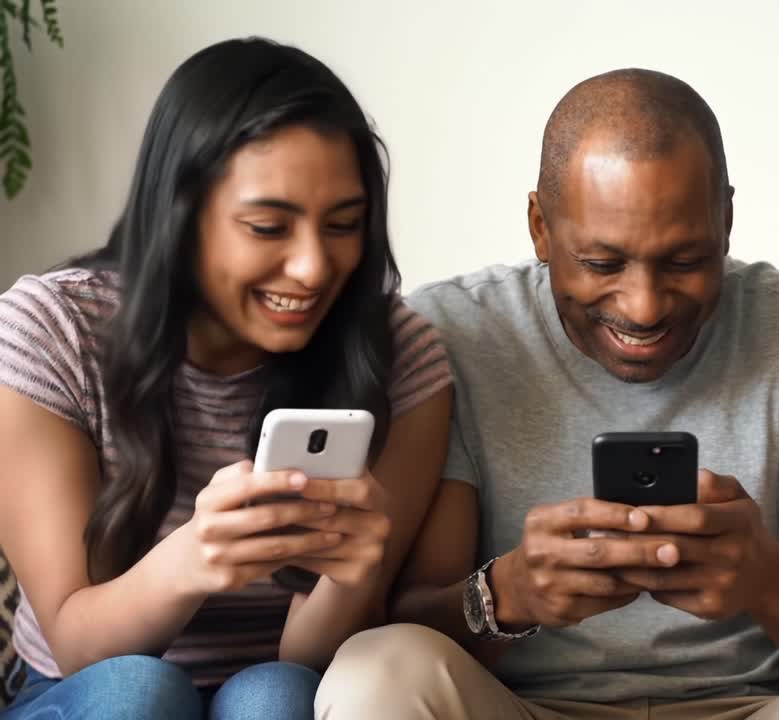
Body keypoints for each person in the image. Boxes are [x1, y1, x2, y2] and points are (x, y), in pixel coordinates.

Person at [315, 67, 779, 720]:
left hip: (760, 705)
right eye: (603, 263)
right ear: (540, 227)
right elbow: (410, 615)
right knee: (377, 668)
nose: (643, 307)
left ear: (726, 220)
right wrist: (511, 593)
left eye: (686, 261)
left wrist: (763, 577)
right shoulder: (458, 333)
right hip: (524, 706)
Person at [0, 38, 453, 719]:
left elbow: (308, 662)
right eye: (268, 227)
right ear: (179, 218)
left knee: (277, 695)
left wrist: (348, 580)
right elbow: (73, 645)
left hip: (275, 690)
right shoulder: (50, 330)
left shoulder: (400, 357)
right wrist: (194, 560)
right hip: (87, 690)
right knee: (140, 692)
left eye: (344, 225)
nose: (312, 267)